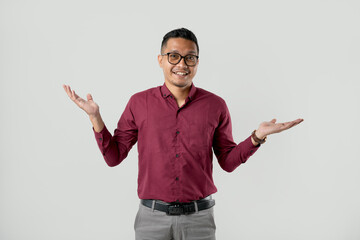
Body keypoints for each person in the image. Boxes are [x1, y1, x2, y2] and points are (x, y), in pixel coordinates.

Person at [63, 28, 303, 240]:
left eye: (190, 58)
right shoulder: (139, 103)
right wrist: (95, 117)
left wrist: (257, 136)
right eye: (174, 56)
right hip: (151, 220)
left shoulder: (215, 105)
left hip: (199, 221)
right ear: (160, 60)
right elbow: (113, 157)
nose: (182, 64)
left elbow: (227, 162)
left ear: (197, 62)